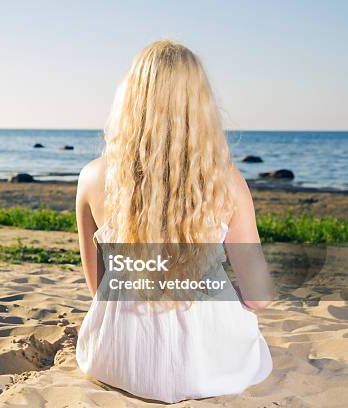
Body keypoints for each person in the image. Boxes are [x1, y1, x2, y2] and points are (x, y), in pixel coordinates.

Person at [75, 39, 272, 403]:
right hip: (206, 363)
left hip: (117, 356)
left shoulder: (92, 178)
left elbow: (97, 289)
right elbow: (259, 297)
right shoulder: (225, 181)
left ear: (130, 100)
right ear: (200, 105)